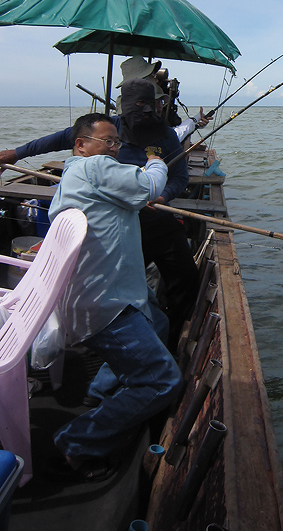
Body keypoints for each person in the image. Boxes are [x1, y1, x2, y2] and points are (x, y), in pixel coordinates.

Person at [0, 78, 200, 346]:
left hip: (157, 220)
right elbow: (57, 139)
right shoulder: (109, 131)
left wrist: (163, 195)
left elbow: (180, 177)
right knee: (121, 293)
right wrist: (16, 153)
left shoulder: (165, 136)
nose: (147, 111)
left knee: (187, 280)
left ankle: (171, 340)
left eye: (152, 104)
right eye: (139, 104)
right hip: (118, 229)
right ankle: (113, 341)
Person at [46, 113, 182, 481]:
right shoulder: (94, 168)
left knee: (159, 320)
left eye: (117, 143)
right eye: (107, 141)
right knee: (162, 380)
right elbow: (147, 187)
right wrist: (155, 163)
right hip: (106, 302)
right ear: (81, 145)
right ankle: (76, 444)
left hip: (102, 292)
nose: (114, 149)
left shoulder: (76, 175)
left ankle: (104, 390)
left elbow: (131, 196)